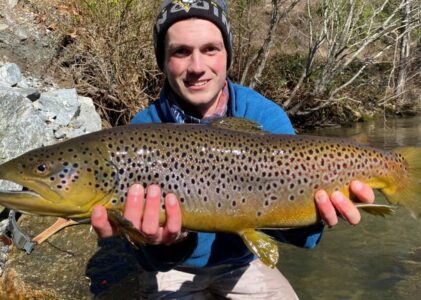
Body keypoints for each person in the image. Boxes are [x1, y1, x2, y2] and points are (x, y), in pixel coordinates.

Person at [89, 0, 375, 298]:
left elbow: (302, 238)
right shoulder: (138, 132)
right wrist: (165, 244)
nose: (197, 67)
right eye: (181, 52)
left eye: (210, 49)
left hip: (242, 263)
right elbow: (147, 258)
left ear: (228, 55)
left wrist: (313, 218)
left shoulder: (264, 116)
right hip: (173, 270)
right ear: (163, 61)